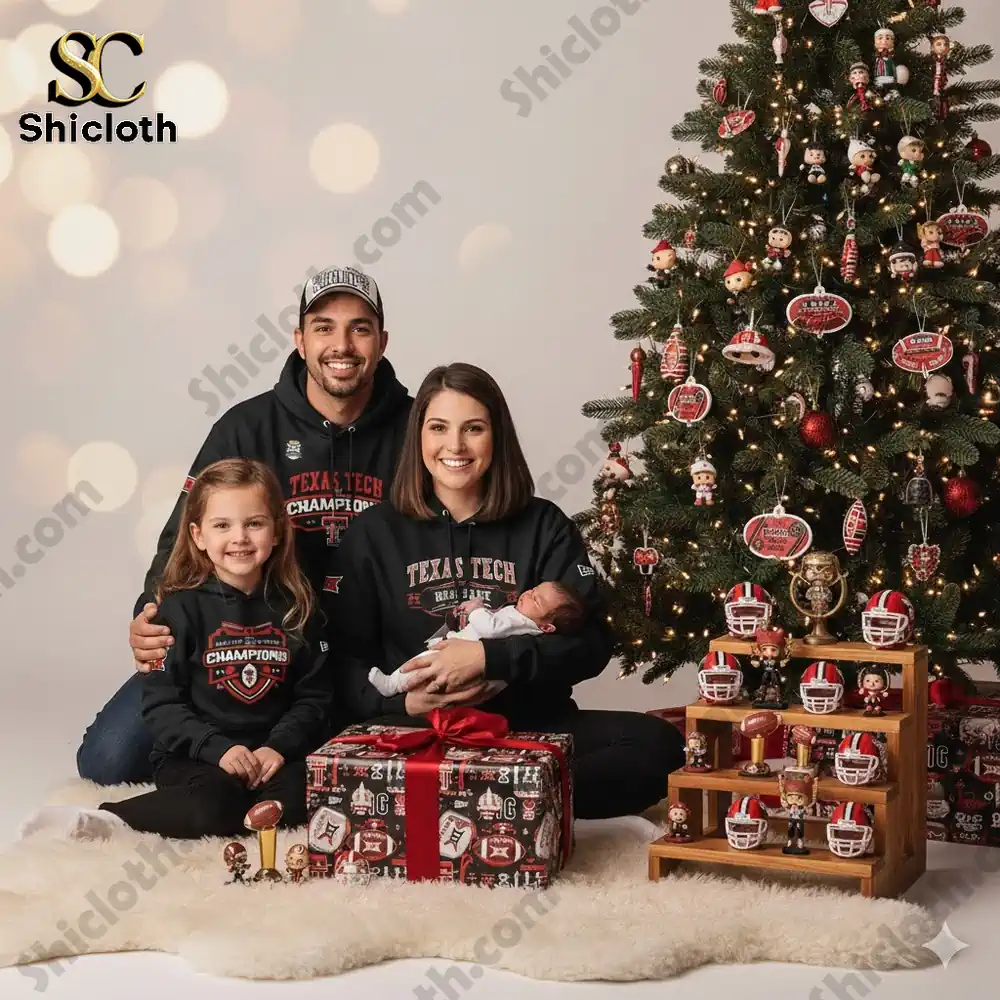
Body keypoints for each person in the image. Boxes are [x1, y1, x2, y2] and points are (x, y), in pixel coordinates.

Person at [77, 267, 412, 785]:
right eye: (323, 327)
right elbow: (181, 534)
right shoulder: (246, 426)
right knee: (109, 758)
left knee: (364, 771)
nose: (340, 344)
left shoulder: (420, 429)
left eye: (359, 328)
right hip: (247, 634)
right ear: (300, 340)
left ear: (382, 340)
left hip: (364, 646)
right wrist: (151, 614)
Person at [328, 362, 685, 819]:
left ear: (497, 437)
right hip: (420, 728)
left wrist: (490, 659)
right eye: (439, 427)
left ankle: (469, 800)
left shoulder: (543, 525)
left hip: (530, 728)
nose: (454, 446)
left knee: (658, 745)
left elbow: (591, 645)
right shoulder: (374, 532)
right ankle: (513, 803)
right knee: (331, 754)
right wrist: (400, 701)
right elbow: (342, 658)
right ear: (418, 436)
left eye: (473, 428)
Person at [25, 460, 331, 841]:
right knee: (212, 803)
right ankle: (107, 819)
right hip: (198, 757)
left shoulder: (298, 609)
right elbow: (162, 704)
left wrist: (277, 748)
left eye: (254, 523)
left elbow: (313, 698)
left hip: (271, 757)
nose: (240, 537)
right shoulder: (178, 610)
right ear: (198, 535)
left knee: (318, 791)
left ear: (277, 533)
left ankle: (250, 818)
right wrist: (217, 750)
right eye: (222, 525)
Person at [367, 582, 586, 698]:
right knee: (423, 672)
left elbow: (491, 629)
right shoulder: (522, 618)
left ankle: (392, 685)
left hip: (458, 657)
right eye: (532, 590)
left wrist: (476, 609)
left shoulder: (522, 622)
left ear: (547, 627)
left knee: (421, 664)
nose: (527, 594)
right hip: (461, 654)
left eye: (536, 600)